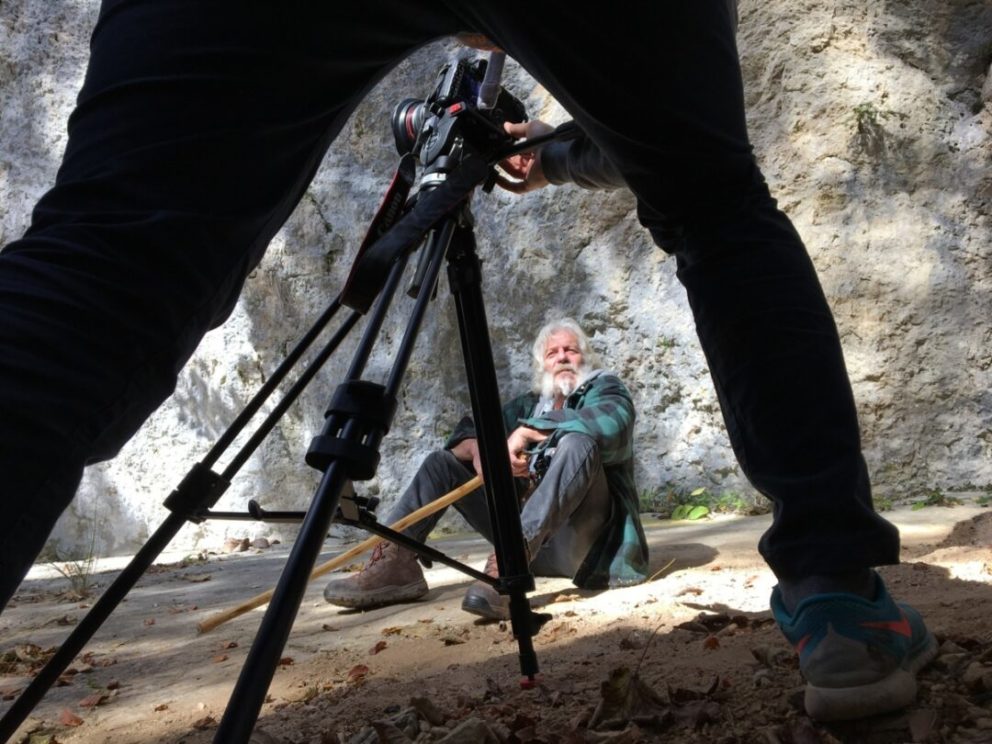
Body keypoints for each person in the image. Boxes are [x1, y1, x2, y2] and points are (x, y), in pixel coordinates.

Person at [0, 0, 934, 723]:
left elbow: (601, 431)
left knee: (108, 259)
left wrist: (549, 163)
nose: (564, 355)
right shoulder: (540, 385)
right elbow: (668, 154)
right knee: (717, 211)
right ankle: (836, 591)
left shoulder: (596, 388)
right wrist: (565, 159)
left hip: (575, 493)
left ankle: (533, 556)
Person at [322, 318, 648, 620]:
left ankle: (508, 566)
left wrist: (526, 432)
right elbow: (466, 432)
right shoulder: (528, 405)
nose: (562, 357)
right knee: (442, 463)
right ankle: (395, 563)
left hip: (589, 549)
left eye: (570, 350)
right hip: (534, 550)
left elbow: (611, 423)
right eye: (553, 353)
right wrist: (481, 450)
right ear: (542, 365)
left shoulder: (605, 388)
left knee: (579, 442)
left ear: (584, 358)